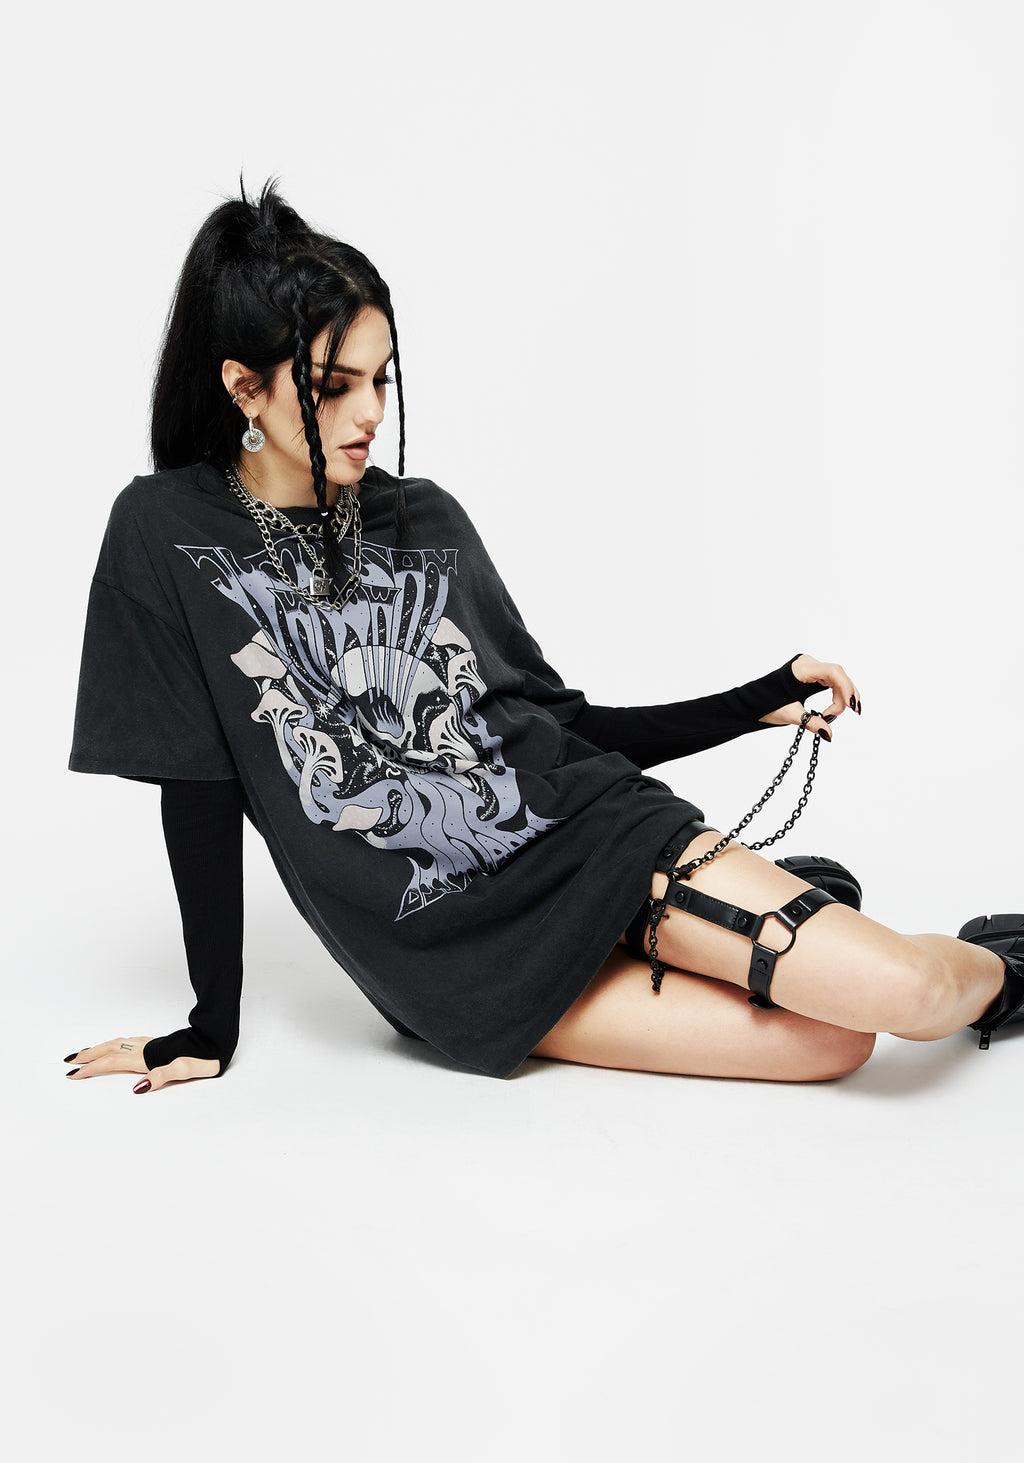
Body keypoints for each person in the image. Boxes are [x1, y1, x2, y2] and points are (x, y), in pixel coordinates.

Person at [64, 179, 1024, 1095]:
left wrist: (752, 701)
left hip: (593, 844)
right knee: (833, 1045)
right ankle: (790, 911)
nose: (370, 413)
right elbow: (199, 788)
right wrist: (212, 1026)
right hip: (455, 965)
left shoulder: (422, 518)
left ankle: (1003, 965)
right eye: (333, 385)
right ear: (244, 388)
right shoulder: (162, 532)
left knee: (912, 997)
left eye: (381, 379)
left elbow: (554, 723)